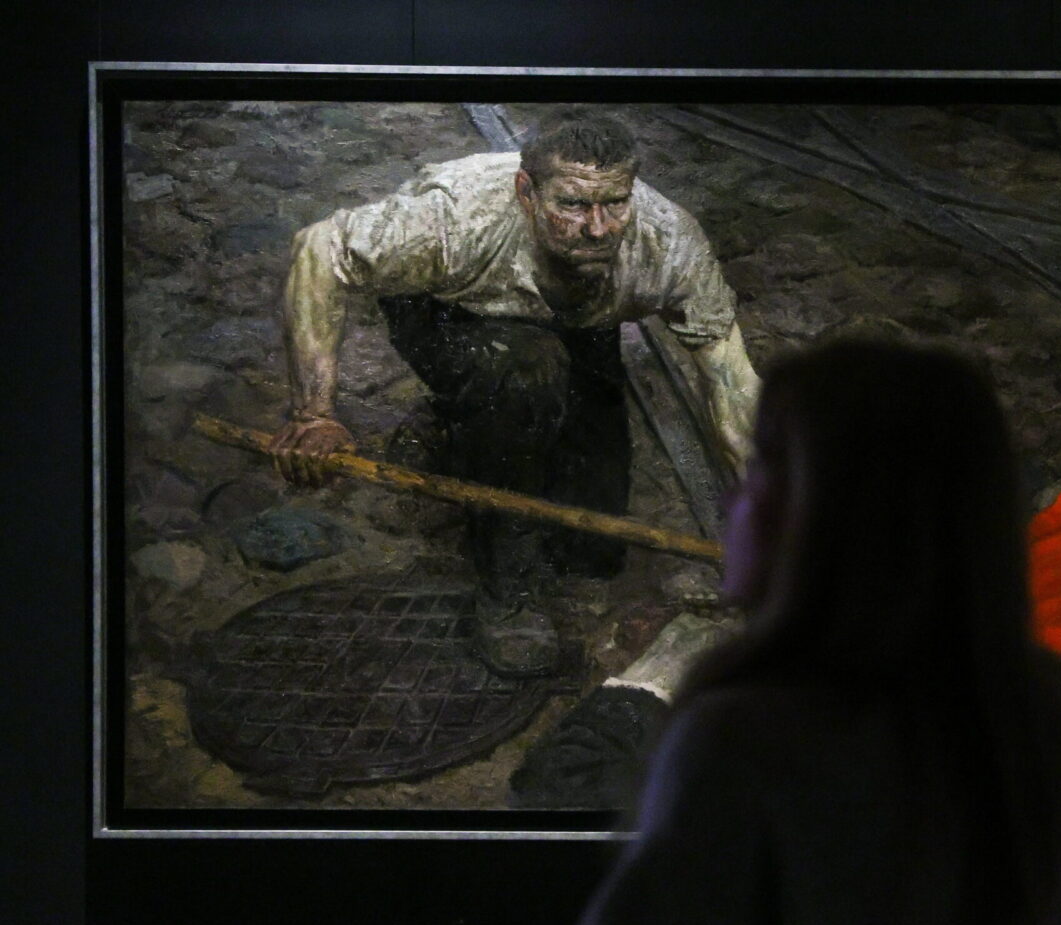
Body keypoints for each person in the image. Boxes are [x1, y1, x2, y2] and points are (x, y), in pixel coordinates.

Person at [556, 340, 1061, 925]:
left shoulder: (745, 747)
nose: (730, 501)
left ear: (824, 511)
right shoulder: (1060, 743)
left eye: (761, 468)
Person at [267, 115, 760, 675]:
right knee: (525, 374)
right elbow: (319, 249)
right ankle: (507, 590)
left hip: (575, 312)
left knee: (590, 549)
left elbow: (731, 384)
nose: (599, 228)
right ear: (527, 193)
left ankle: (456, 427)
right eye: (572, 205)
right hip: (448, 309)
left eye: (615, 203)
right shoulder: (453, 220)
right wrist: (313, 413)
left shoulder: (668, 242)